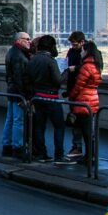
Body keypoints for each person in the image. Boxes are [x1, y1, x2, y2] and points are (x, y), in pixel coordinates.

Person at [27, 35, 74, 164]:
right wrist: (66, 71)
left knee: (39, 127)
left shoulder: (32, 60)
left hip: (37, 97)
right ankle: (59, 156)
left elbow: (28, 80)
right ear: (51, 46)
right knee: (59, 126)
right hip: (51, 98)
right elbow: (58, 80)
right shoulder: (50, 61)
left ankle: (42, 154)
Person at [67, 41, 103, 165]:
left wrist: (71, 96)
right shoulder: (96, 65)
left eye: (82, 50)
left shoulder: (86, 66)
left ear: (86, 51)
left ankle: (89, 158)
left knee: (86, 131)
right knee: (90, 131)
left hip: (84, 100)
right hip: (93, 98)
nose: (81, 53)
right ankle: (91, 156)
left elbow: (79, 86)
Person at [2, 31, 31, 159]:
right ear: (19, 40)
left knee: (10, 120)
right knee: (18, 121)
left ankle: (6, 146)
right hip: (18, 93)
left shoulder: (12, 52)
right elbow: (19, 78)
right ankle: (17, 147)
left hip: (11, 91)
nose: (30, 41)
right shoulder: (19, 56)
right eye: (27, 39)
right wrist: (24, 96)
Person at [64, 31, 86, 157]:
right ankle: (77, 146)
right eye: (72, 44)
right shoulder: (71, 51)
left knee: (85, 122)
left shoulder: (89, 52)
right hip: (73, 90)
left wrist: (76, 68)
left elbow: (93, 68)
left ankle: (87, 150)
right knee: (75, 121)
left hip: (82, 93)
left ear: (82, 42)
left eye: (75, 44)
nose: (73, 47)